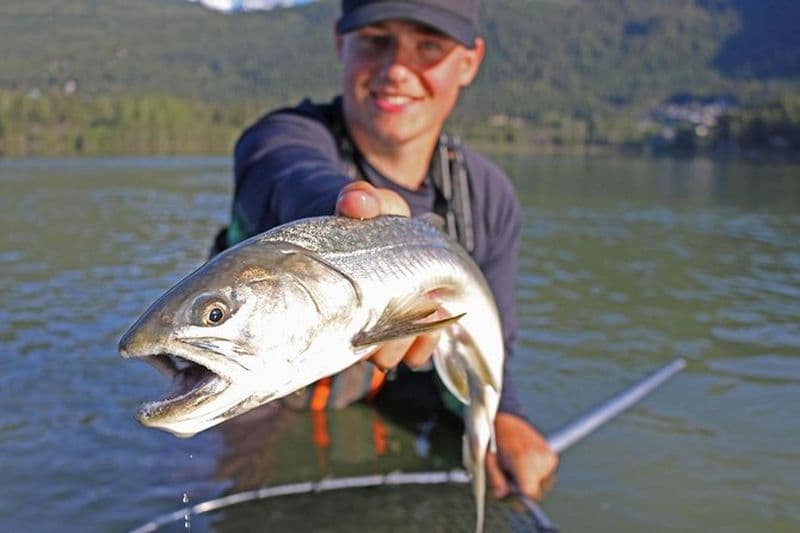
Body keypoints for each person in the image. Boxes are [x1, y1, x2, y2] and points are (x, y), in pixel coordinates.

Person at [216, 0, 558, 501]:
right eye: (376, 40)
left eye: (429, 47)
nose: (397, 69)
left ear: (469, 61)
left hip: (411, 403)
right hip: (269, 409)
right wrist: (349, 220)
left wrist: (506, 414)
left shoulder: (487, 197)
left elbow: (493, 336)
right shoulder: (279, 140)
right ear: (339, 41)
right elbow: (290, 180)